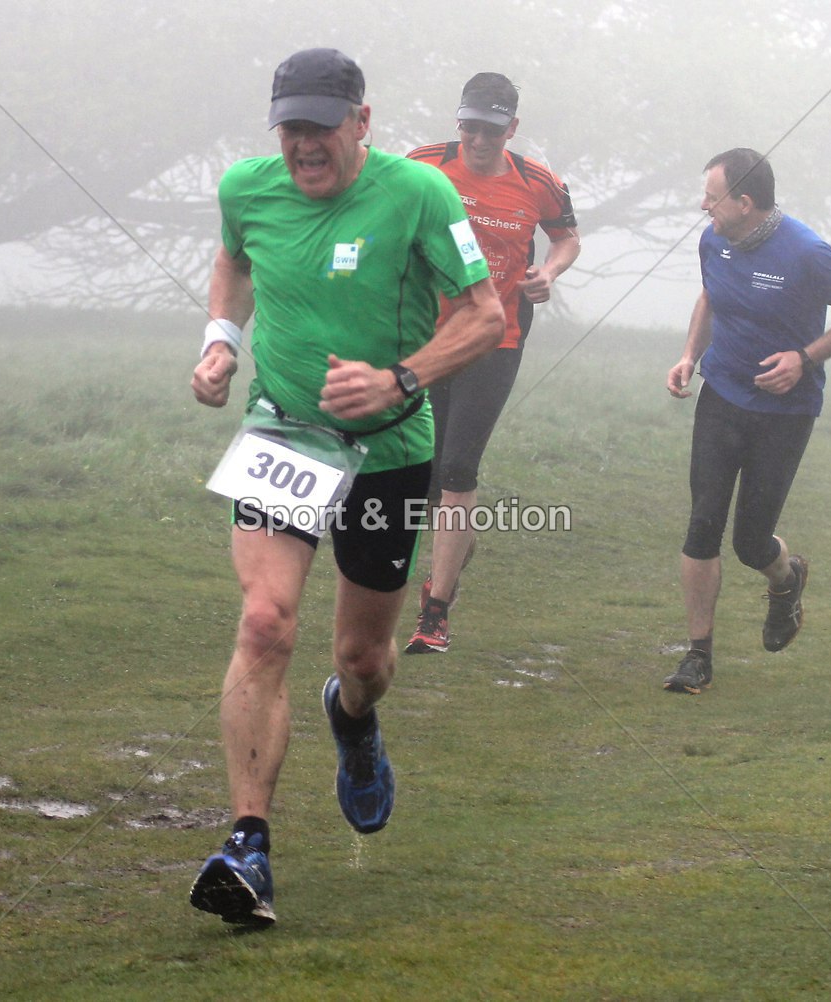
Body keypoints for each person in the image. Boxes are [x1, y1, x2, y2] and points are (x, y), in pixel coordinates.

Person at [187, 48, 504, 925]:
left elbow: (485, 316)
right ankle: (247, 848)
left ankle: (355, 718)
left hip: (389, 447)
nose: (303, 146)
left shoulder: (421, 195)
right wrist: (220, 343)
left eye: (321, 128)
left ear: (361, 122)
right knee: (264, 622)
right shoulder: (246, 189)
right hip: (284, 432)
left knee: (362, 659)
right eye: (290, 128)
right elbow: (233, 263)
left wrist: (400, 378)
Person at [664, 148, 831, 695]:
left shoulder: (807, 251)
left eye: (712, 197)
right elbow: (711, 295)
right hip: (722, 396)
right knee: (702, 525)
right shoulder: (714, 239)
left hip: (785, 413)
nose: (703, 206)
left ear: (744, 201)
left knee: (750, 541)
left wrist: (804, 358)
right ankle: (697, 656)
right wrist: (690, 355)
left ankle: (786, 579)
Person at [404, 72, 580, 654]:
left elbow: (567, 237)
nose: (479, 140)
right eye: (470, 127)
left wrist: (548, 272)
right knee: (427, 482)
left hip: (496, 340)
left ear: (513, 128)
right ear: (458, 122)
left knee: (459, 469)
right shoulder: (422, 165)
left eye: (492, 131)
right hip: (426, 340)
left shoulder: (538, 182)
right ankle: (455, 554)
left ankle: (435, 613)